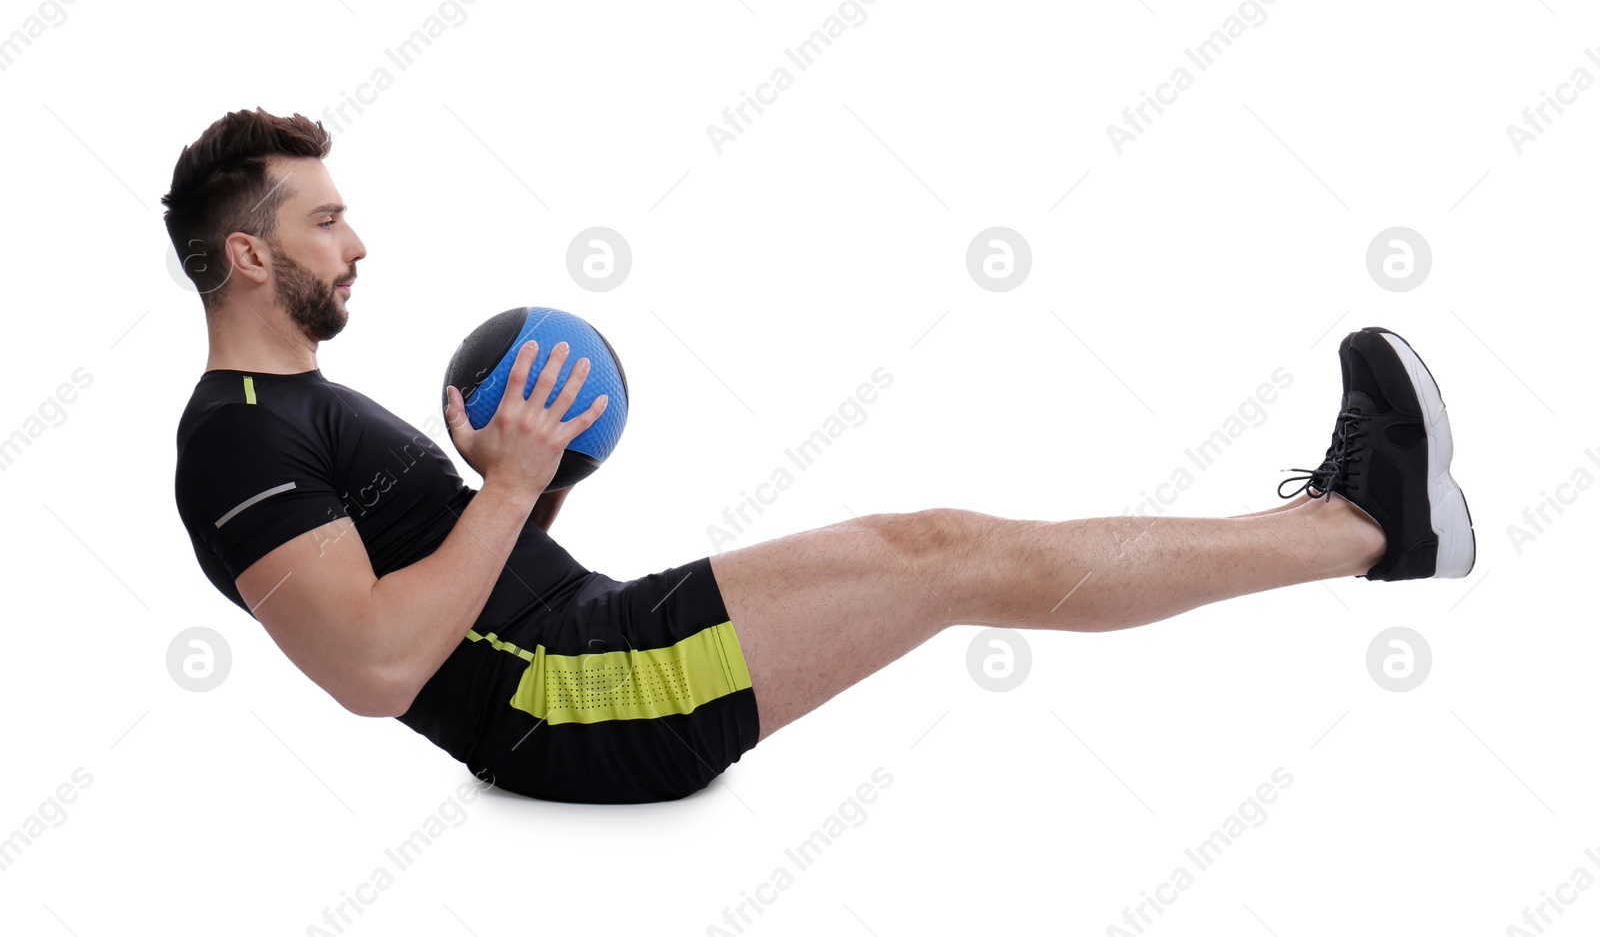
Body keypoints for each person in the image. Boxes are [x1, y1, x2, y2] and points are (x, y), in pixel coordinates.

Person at [166, 108, 1476, 805]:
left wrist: (535, 475)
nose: (357, 242)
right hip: (584, 701)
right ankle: (1365, 526)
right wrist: (505, 487)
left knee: (947, 547)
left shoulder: (292, 410)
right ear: (248, 253)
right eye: (326, 221)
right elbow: (380, 667)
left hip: (589, 650)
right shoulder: (233, 441)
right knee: (948, 553)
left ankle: (1363, 527)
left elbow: (456, 599)